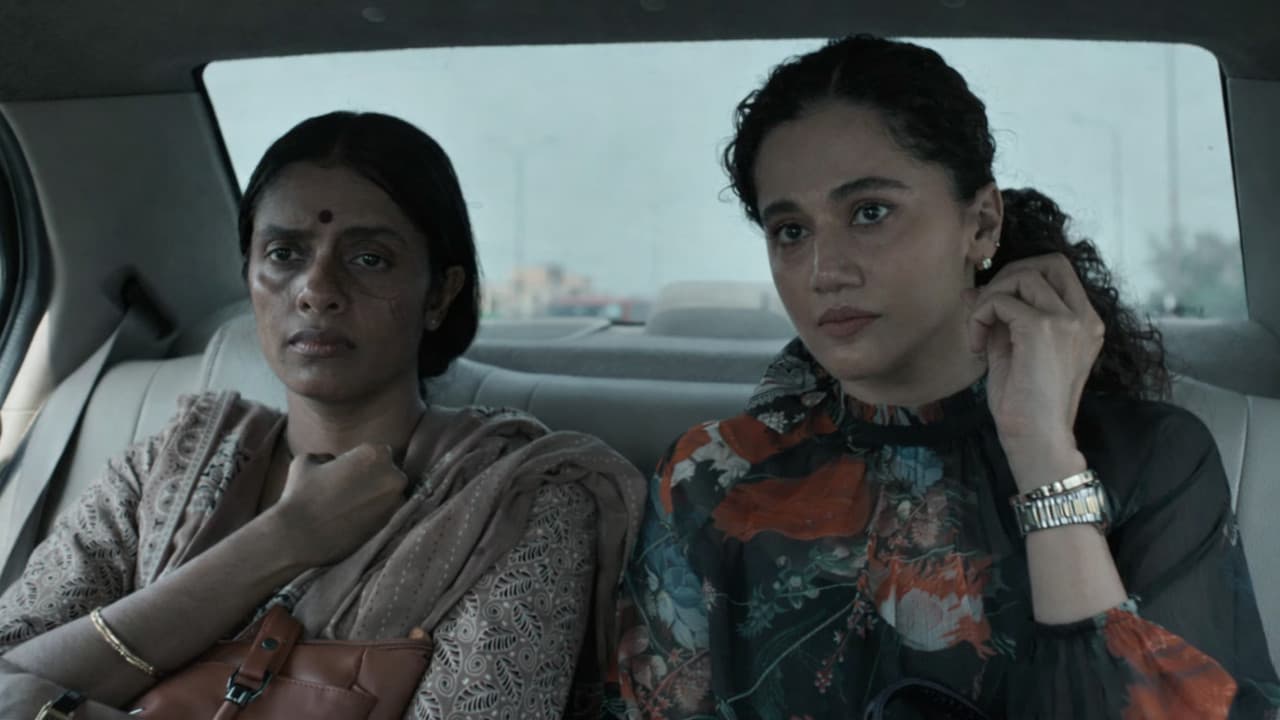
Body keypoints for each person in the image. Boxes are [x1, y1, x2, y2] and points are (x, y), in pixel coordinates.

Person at [609, 36, 1280, 719]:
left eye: (870, 212)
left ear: (981, 223)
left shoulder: (1149, 460)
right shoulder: (709, 477)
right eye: (790, 230)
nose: (824, 271)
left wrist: (1045, 461)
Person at [0, 111, 644, 719]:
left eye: (369, 259)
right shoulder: (167, 465)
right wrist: (283, 539)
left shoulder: (518, 500)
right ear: (249, 275)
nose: (316, 290)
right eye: (285, 254)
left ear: (439, 294)